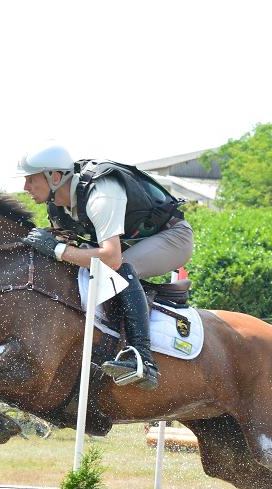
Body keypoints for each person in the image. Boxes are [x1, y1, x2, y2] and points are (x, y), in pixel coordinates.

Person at [18, 144, 193, 389]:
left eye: (30, 179)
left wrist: (58, 250)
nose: (25, 187)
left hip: (174, 238)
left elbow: (111, 258)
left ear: (55, 177)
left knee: (121, 268)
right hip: (134, 243)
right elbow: (73, 248)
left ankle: (142, 358)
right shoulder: (57, 204)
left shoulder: (101, 193)